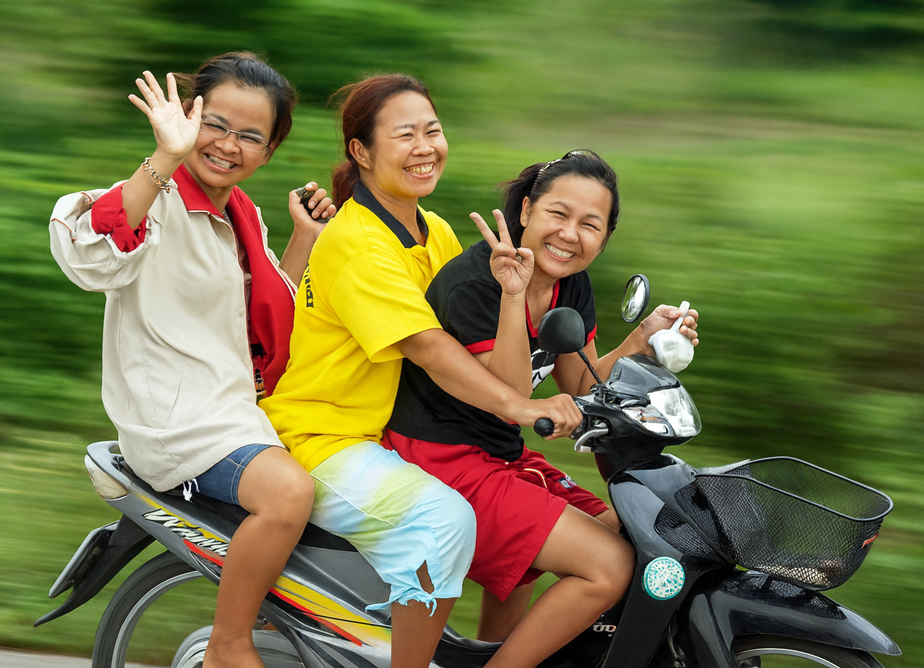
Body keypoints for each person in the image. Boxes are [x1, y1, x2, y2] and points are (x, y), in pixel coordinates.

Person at [258, 74, 581, 668]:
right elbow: (428, 347)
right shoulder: (356, 241)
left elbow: (474, 351)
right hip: (327, 438)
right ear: (362, 151)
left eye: (432, 130)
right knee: (444, 520)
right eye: (404, 134)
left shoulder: (434, 230)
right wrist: (521, 408)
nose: (424, 146)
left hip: (397, 436)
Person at [48, 52, 334, 668]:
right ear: (188, 117)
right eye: (216, 124)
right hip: (179, 423)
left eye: (250, 136)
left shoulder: (244, 216)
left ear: (269, 151)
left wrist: (304, 238)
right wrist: (164, 158)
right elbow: (91, 253)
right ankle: (228, 648)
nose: (229, 145)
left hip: (234, 414)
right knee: (287, 496)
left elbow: (263, 316)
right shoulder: (156, 200)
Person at [384, 149, 701, 667]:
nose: (570, 234)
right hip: (439, 460)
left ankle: (498, 652)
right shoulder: (476, 285)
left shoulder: (570, 285)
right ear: (527, 210)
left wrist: (642, 339)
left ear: (605, 237)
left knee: (630, 533)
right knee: (608, 567)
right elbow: (511, 398)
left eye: (590, 224)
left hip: (500, 455)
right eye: (559, 213)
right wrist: (514, 297)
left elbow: (581, 384)